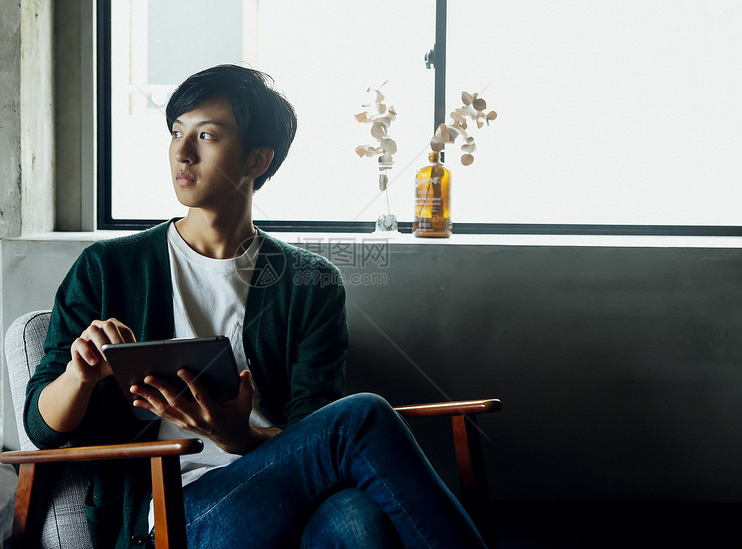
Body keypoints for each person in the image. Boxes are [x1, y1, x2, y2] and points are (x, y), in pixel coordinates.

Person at [24, 64, 486, 549]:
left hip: (288, 495)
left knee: (355, 515)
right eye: (177, 132)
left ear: (256, 161)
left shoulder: (311, 283)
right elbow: (40, 428)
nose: (182, 152)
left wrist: (238, 436)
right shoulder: (108, 268)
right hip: (173, 518)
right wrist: (79, 374)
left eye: (206, 135)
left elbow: (315, 431)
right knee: (364, 418)